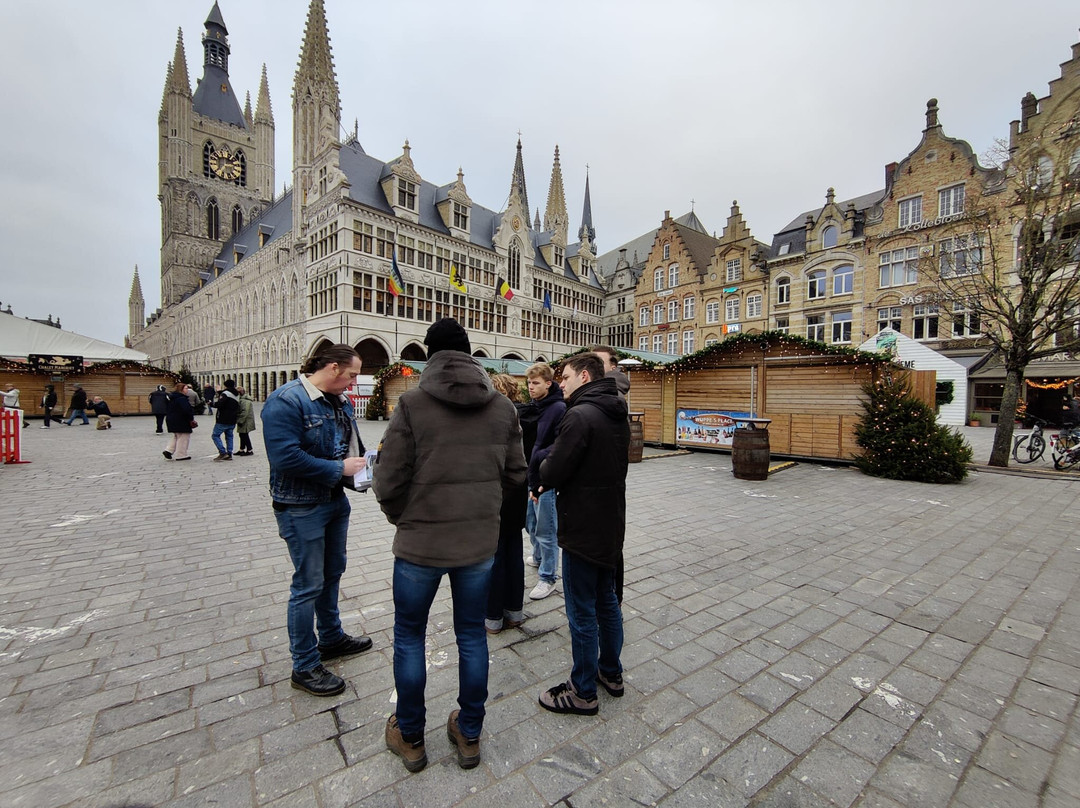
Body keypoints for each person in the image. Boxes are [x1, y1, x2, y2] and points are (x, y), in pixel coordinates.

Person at [374, 318, 526, 773]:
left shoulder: (412, 404)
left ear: (431, 356)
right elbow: (517, 475)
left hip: (420, 545)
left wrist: (402, 517)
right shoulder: (502, 408)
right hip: (477, 546)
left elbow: (388, 480)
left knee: (409, 637)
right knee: (471, 637)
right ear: (470, 355)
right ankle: (470, 733)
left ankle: (411, 735)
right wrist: (483, 509)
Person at [261, 343, 372, 699]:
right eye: (352, 374)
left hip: (333, 500)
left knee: (332, 574)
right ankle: (304, 665)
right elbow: (285, 457)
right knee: (307, 584)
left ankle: (331, 638)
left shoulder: (339, 402)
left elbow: (347, 445)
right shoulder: (287, 401)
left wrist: (363, 469)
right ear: (334, 367)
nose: (353, 383)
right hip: (300, 505)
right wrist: (337, 468)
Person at [537, 353, 630, 717]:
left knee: (581, 609)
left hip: (581, 527)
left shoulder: (579, 415)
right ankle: (612, 673)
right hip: (609, 523)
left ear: (585, 376)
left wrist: (543, 464)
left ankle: (582, 690)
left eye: (566, 376)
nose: (562, 382)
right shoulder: (616, 409)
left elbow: (554, 469)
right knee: (606, 600)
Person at [485, 374, 536, 634]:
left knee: (494, 557)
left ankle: (493, 617)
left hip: (497, 493)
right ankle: (515, 612)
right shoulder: (530, 415)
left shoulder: (494, 417)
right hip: (518, 492)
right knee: (514, 554)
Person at [591, 345, 630, 603]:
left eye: (598, 361)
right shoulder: (604, 391)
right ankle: (611, 600)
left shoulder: (610, 393)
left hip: (604, 483)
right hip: (607, 483)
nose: (592, 365)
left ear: (612, 366)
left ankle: (610, 601)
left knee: (607, 546)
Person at [524, 362, 566, 600]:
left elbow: (560, 443)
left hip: (545, 477)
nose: (530, 387)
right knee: (531, 523)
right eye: (529, 383)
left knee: (546, 530)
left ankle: (547, 577)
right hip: (531, 474)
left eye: (536, 383)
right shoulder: (536, 406)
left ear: (548, 384)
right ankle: (538, 557)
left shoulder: (558, 408)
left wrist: (539, 456)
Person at [163, 381, 195, 461]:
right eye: (186, 388)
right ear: (181, 389)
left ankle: (169, 450)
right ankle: (181, 454)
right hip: (181, 420)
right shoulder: (181, 398)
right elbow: (186, 410)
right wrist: (191, 419)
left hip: (172, 419)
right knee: (183, 437)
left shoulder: (172, 397)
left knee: (177, 436)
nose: (187, 390)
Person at [211, 379, 241, 461]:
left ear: (225, 385)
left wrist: (211, 404)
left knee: (215, 435)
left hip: (223, 419)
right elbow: (229, 400)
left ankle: (222, 452)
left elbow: (221, 404)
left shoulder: (225, 394)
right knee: (229, 436)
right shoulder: (236, 394)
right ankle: (229, 453)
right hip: (232, 418)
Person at [234, 386, 256, 455]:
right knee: (242, 434)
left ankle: (249, 450)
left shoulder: (245, 401)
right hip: (244, 420)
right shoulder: (242, 399)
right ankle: (241, 449)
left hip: (245, 421)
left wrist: (240, 420)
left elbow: (244, 412)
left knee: (244, 435)